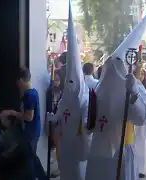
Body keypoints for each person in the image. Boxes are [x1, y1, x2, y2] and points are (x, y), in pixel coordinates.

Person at [85, 5, 146, 180]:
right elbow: (88, 121)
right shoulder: (97, 90)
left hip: (122, 150)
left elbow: (142, 118)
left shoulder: (133, 86)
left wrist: (134, 95)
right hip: (98, 152)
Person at [46, 3, 90, 180]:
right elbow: (59, 114)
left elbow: (88, 120)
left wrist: (88, 124)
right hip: (65, 141)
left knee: (78, 173)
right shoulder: (66, 95)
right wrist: (52, 117)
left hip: (78, 143)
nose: (70, 86)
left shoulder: (85, 97)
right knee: (66, 171)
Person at [0, 68, 47, 180]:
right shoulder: (32, 92)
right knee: (32, 159)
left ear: (20, 80)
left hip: (31, 134)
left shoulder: (30, 95)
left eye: (17, 82)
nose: (17, 85)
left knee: (29, 161)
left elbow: (29, 117)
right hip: (31, 133)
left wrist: (11, 112)